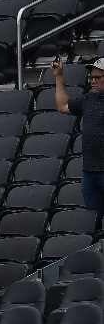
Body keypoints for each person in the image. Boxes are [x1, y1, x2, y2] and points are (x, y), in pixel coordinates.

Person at [53, 58, 104, 214]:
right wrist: (59, 76)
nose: (93, 81)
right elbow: (62, 106)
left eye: (98, 78)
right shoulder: (88, 99)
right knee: (94, 218)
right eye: (92, 77)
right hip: (89, 170)